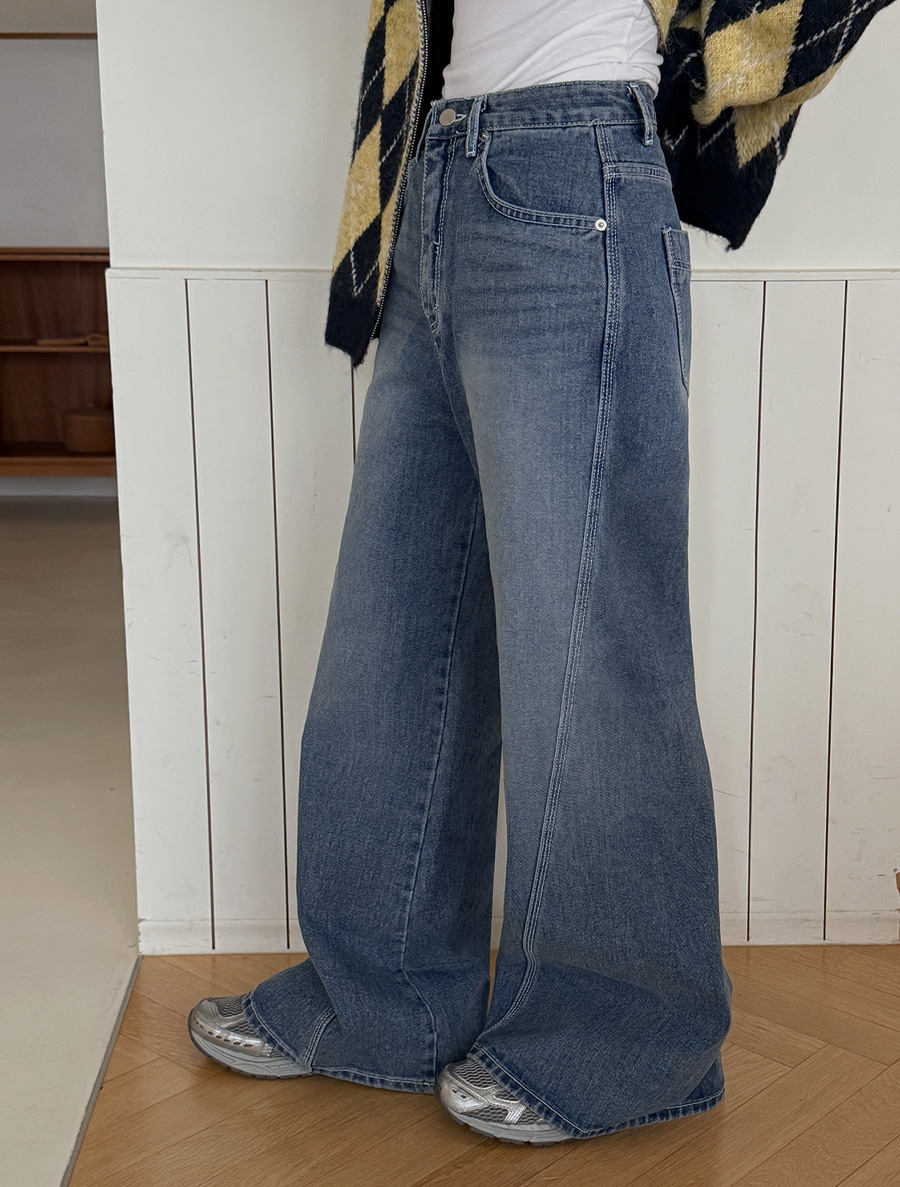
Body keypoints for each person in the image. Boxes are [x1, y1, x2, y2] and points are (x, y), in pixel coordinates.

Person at [186, 0, 887, 1147]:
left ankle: (621, 1034)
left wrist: (715, 60)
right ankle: (385, 1000)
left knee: (589, 647)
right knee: (395, 630)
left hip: (577, 163)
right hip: (436, 169)